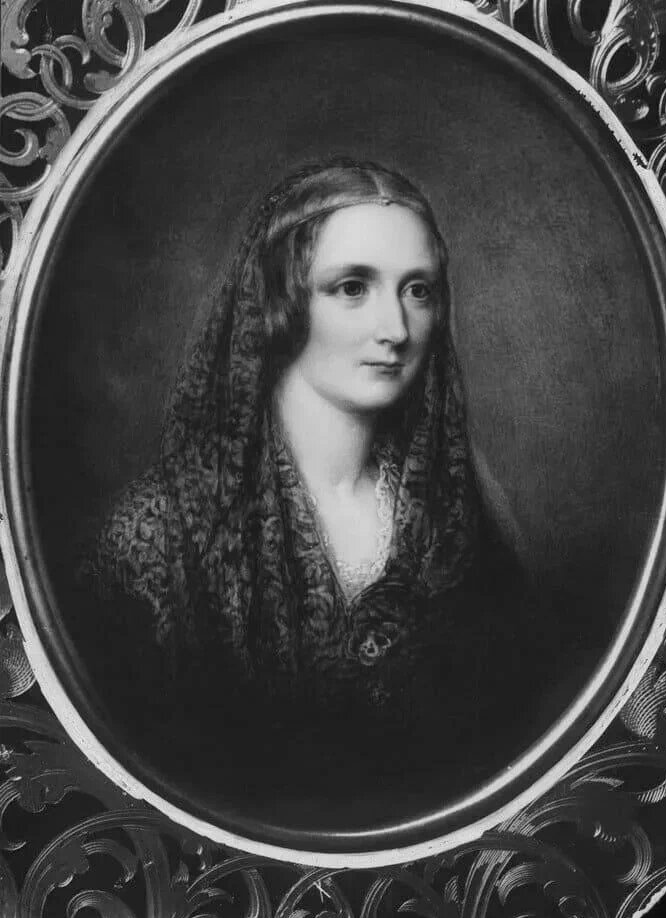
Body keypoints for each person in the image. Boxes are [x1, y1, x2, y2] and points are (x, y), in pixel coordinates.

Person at [80, 158, 531, 799]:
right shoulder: (158, 533)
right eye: (352, 287)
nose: (395, 330)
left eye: (418, 290)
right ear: (281, 302)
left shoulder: (458, 524)